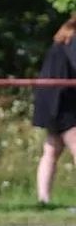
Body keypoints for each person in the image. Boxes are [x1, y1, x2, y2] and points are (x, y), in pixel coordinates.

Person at [33, 13, 76, 204]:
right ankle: (43, 199)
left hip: (51, 101)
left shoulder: (62, 39)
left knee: (51, 151)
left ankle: (43, 199)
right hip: (63, 102)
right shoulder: (73, 40)